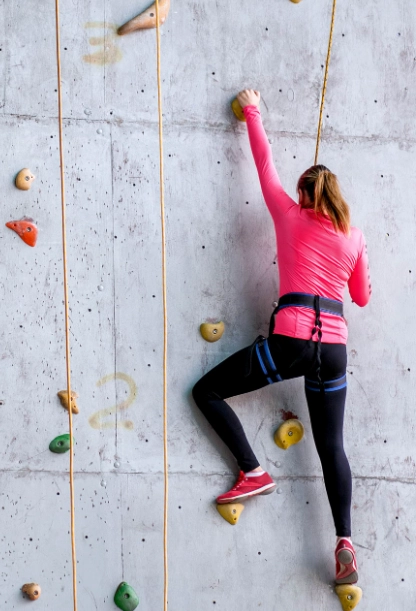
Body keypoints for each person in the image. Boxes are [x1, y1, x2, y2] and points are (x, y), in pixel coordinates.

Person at [191, 89, 371, 585]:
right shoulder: (354, 236)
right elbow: (362, 297)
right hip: (333, 351)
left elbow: (263, 163)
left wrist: (252, 109)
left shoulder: (290, 215)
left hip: (292, 341)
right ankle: (345, 542)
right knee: (332, 446)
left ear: (305, 196)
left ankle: (253, 471)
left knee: (206, 391)